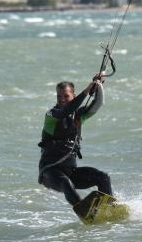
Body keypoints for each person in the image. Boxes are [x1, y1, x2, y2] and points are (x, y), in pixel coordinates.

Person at [38, 72, 113, 206]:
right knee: (65, 182)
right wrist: (86, 91)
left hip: (71, 172)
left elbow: (97, 103)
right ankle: (84, 210)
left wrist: (98, 85)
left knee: (103, 178)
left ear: (73, 96)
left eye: (66, 96)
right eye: (59, 96)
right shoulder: (51, 115)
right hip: (49, 173)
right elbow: (64, 111)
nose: (61, 99)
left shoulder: (79, 116)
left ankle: (107, 207)